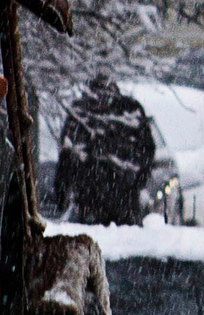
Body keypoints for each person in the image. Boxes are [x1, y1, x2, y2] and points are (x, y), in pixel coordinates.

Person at [57, 75, 158, 225]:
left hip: (115, 196)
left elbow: (146, 150)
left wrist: (137, 179)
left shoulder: (126, 111)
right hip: (96, 197)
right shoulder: (81, 112)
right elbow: (67, 153)